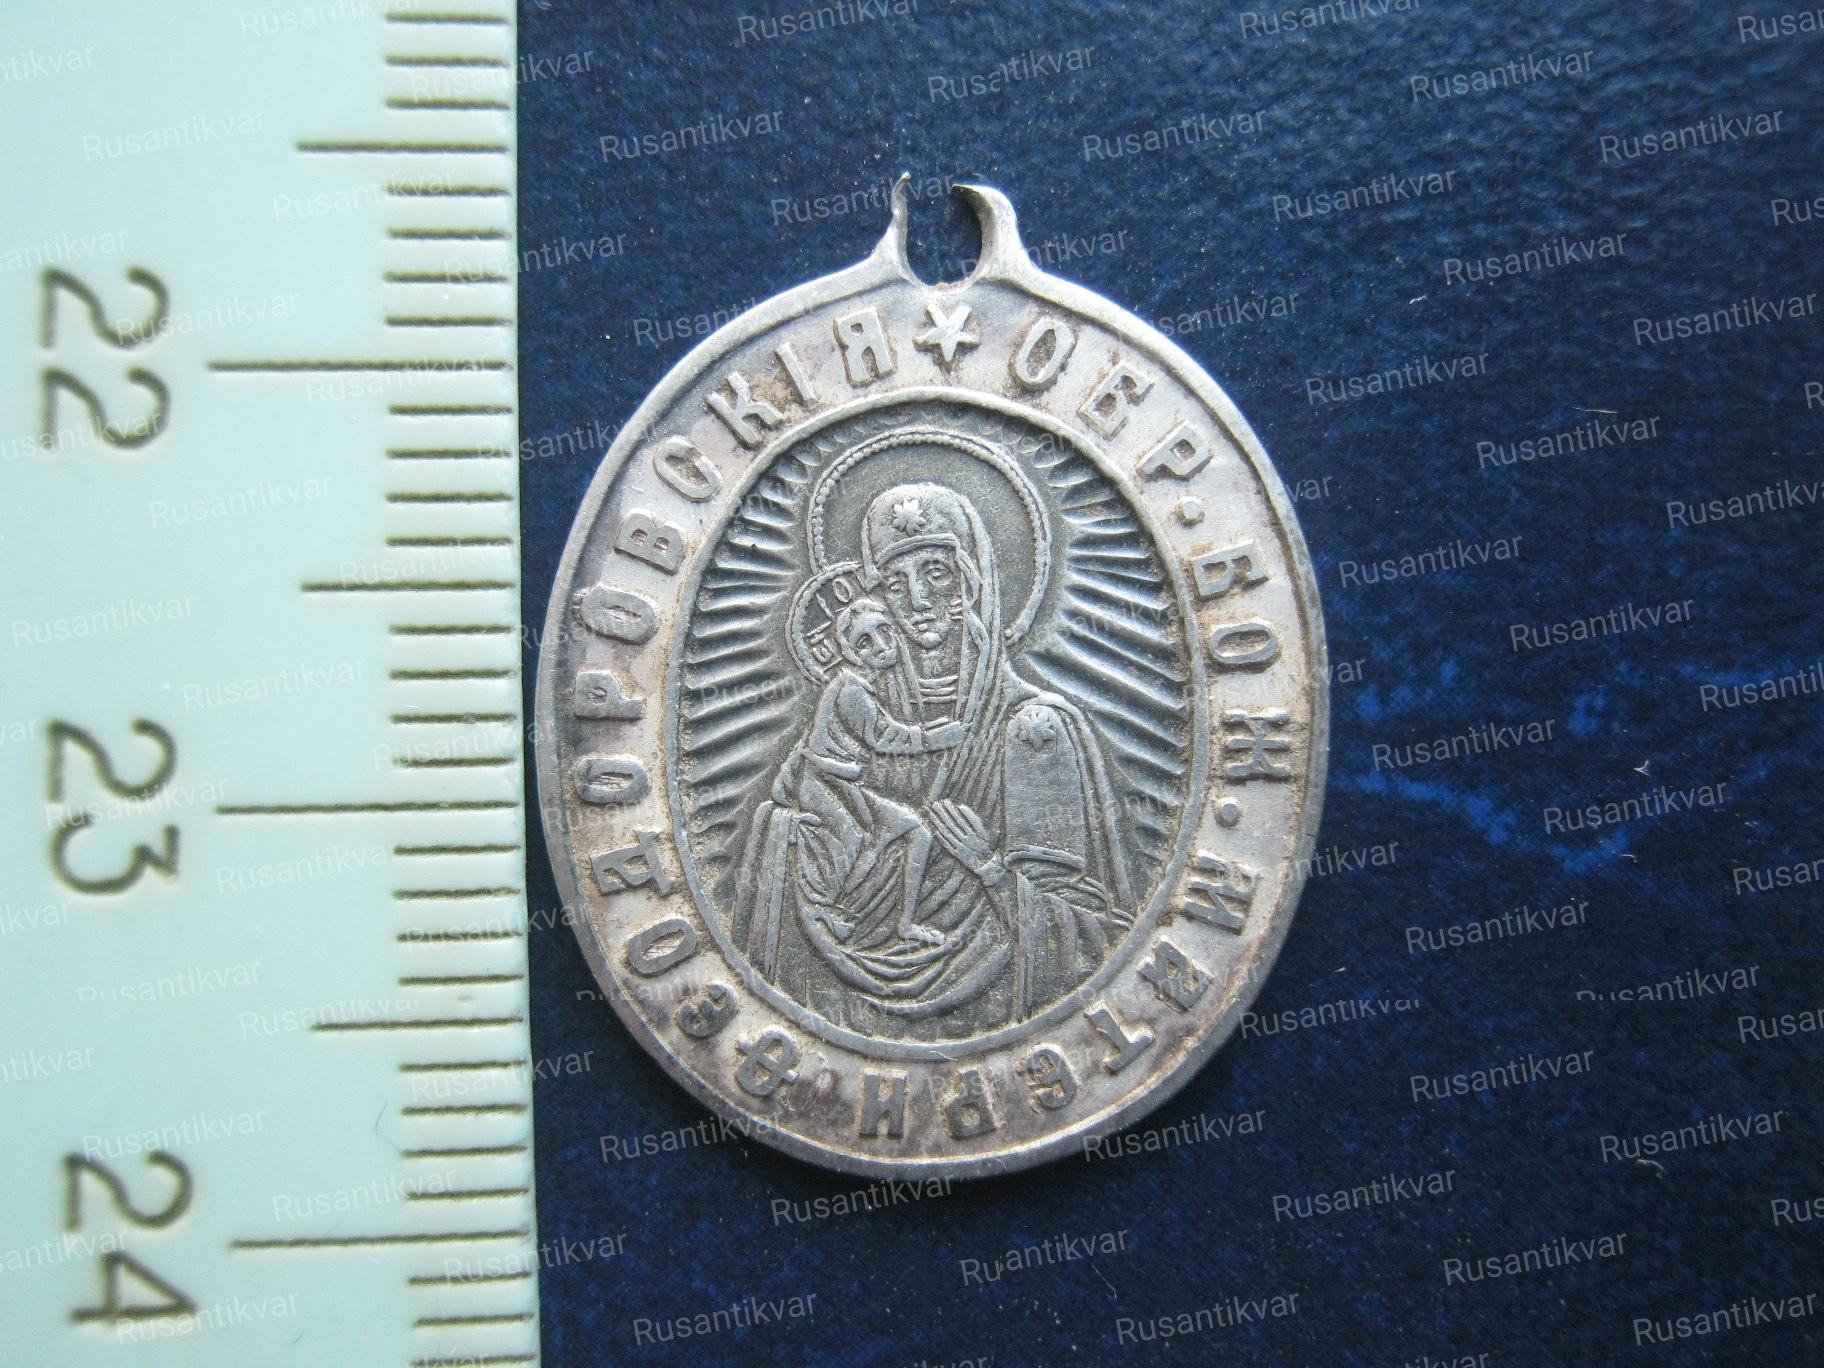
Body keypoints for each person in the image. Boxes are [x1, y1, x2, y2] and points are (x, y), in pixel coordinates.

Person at [791, 598, 964, 949]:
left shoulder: (862, 685)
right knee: (856, 837)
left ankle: (905, 924)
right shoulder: (850, 689)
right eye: (865, 642)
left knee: (917, 832)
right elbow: (882, 737)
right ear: (852, 653)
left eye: (884, 632)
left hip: (844, 781)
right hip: (823, 783)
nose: (881, 646)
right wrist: (933, 739)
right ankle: (824, 910)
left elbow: (885, 729)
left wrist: (929, 732)